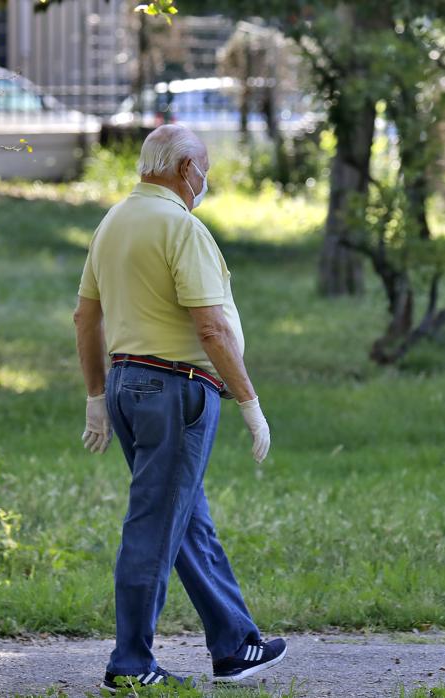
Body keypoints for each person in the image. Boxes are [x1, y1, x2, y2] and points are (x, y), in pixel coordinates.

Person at [73, 124, 287, 690]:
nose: (206, 178)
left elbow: (85, 318)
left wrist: (97, 395)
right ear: (185, 168)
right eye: (206, 167)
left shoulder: (112, 222)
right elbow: (212, 326)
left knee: (186, 519)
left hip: (127, 385)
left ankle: (236, 643)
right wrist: (250, 401)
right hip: (176, 390)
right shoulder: (181, 227)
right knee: (154, 524)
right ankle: (130, 663)